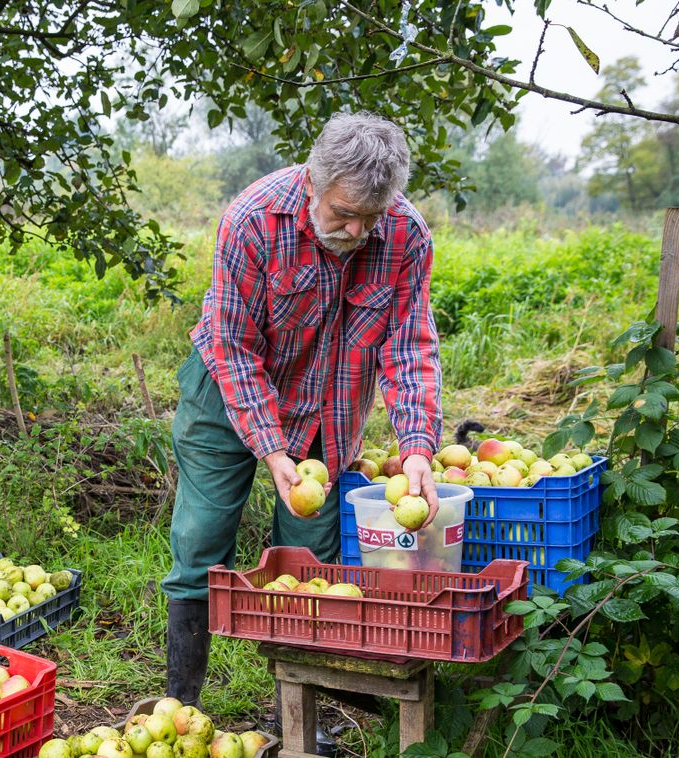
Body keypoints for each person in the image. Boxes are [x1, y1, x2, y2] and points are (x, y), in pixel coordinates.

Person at [161, 112, 444, 713]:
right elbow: (232, 346)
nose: (357, 229)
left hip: (325, 410)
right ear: (312, 183)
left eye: (371, 216)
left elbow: (409, 344)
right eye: (344, 213)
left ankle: (300, 712)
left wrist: (417, 445)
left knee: (312, 566)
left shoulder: (406, 234)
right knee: (203, 541)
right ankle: (180, 706)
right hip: (227, 391)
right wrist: (270, 448)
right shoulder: (253, 219)